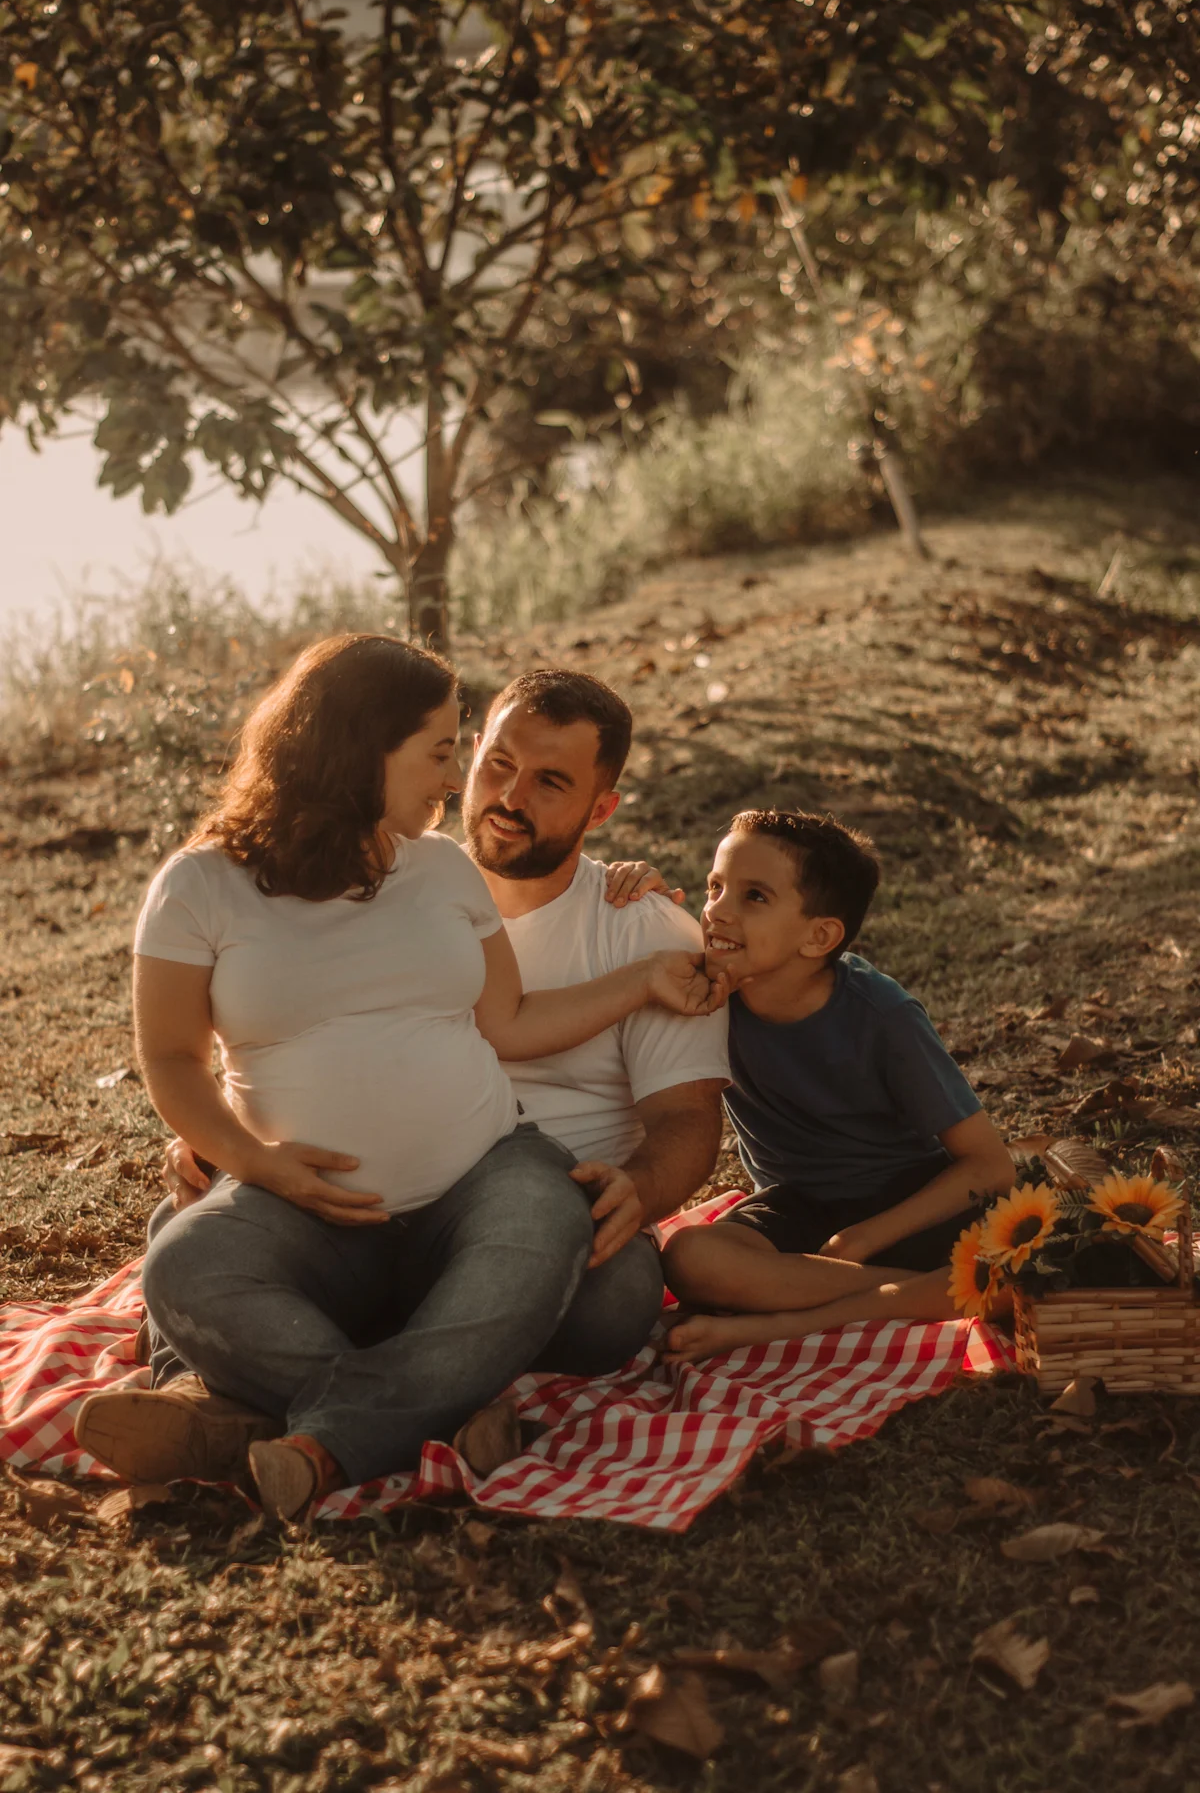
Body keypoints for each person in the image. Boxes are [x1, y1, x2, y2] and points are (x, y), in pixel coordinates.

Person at [75, 637, 726, 1520]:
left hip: (486, 1180)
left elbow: (514, 1026)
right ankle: (435, 1411)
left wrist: (641, 983)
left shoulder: (458, 876)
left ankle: (257, 1422)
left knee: (566, 1248)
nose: (470, 785)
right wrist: (240, 1154)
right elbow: (176, 1059)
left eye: (547, 781)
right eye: (456, 755)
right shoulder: (201, 885)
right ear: (362, 748)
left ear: (600, 807)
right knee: (185, 1263)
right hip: (312, 1208)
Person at [614, 809, 1014, 1364]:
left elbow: (991, 1166)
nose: (717, 912)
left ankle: (775, 1323)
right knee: (690, 1256)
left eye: (754, 897)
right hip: (798, 1207)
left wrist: (865, 1239)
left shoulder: (883, 1015)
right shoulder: (706, 988)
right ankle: (926, 1290)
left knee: (1017, 1263)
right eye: (715, 886)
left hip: (908, 1200)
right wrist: (646, 899)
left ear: (819, 935)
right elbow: (630, 944)